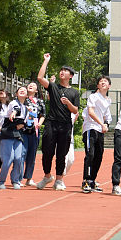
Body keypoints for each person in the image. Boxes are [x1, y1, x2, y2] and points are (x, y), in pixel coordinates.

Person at [35, 54, 81, 191]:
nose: (62, 72)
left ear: (70, 76)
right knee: (47, 152)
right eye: (61, 70)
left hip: (65, 125)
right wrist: (46, 61)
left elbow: (75, 110)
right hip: (51, 123)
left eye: (65, 71)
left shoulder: (74, 92)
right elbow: (40, 78)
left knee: (62, 154)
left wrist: (68, 103)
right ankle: (47, 176)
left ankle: (59, 180)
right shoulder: (53, 87)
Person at [81, 76, 112, 194]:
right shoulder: (93, 97)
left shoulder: (107, 100)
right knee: (90, 154)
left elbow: (107, 116)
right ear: (98, 86)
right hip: (91, 128)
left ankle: (92, 181)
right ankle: (86, 181)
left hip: (100, 130)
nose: (103, 82)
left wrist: (106, 124)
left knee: (99, 156)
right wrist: (101, 123)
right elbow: (91, 112)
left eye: (105, 81)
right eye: (101, 81)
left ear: (109, 86)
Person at [0, 85, 28, 189]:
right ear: (16, 94)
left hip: (18, 135)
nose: (22, 91)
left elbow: (26, 122)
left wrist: (23, 125)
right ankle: (1, 181)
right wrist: (14, 113)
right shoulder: (13, 103)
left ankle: (15, 180)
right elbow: (15, 109)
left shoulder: (26, 108)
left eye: (24, 90)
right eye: (20, 90)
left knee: (18, 158)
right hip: (8, 134)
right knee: (8, 159)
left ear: (27, 95)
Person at [21, 81, 45, 187]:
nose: (31, 86)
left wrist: (39, 124)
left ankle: (29, 178)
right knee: (21, 154)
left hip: (34, 131)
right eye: (29, 85)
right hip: (23, 130)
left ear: (36, 90)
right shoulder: (22, 99)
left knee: (32, 156)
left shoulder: (40, 101)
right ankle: (18, 178)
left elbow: (43, 114)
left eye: (33, 85)